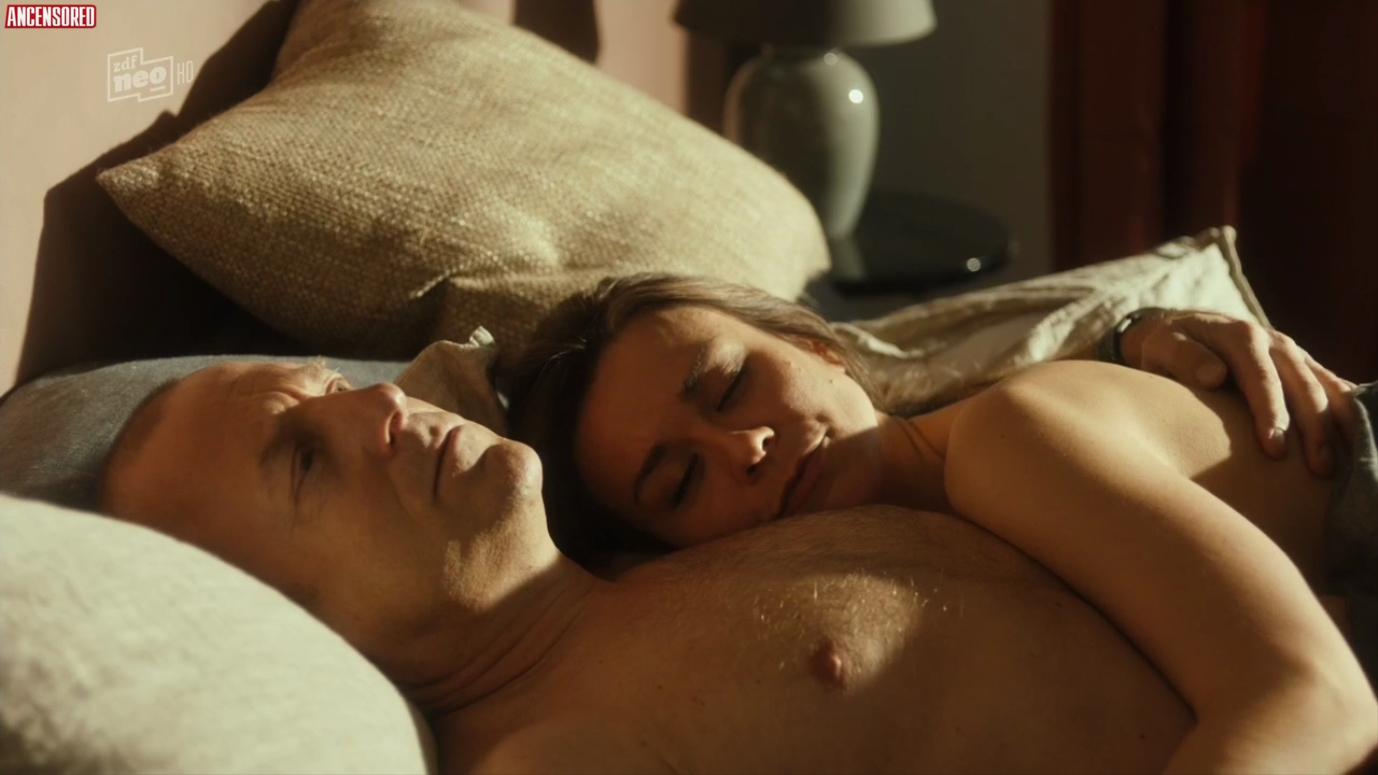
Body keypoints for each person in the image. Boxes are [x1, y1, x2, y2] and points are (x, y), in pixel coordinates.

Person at [100, 362, 1375, 775]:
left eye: (333, 383)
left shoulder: (678, 549)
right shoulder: (553, 757)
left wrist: (1147, 339)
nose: (382, 403)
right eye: (304, 460)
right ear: (275, 623)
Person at [502, 274, 1377, 772]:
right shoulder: (946, 560)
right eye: (683, 480)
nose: (748, 447)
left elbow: (1317, 696)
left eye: (730, 385)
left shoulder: (1006, 439)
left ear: (818, 347)